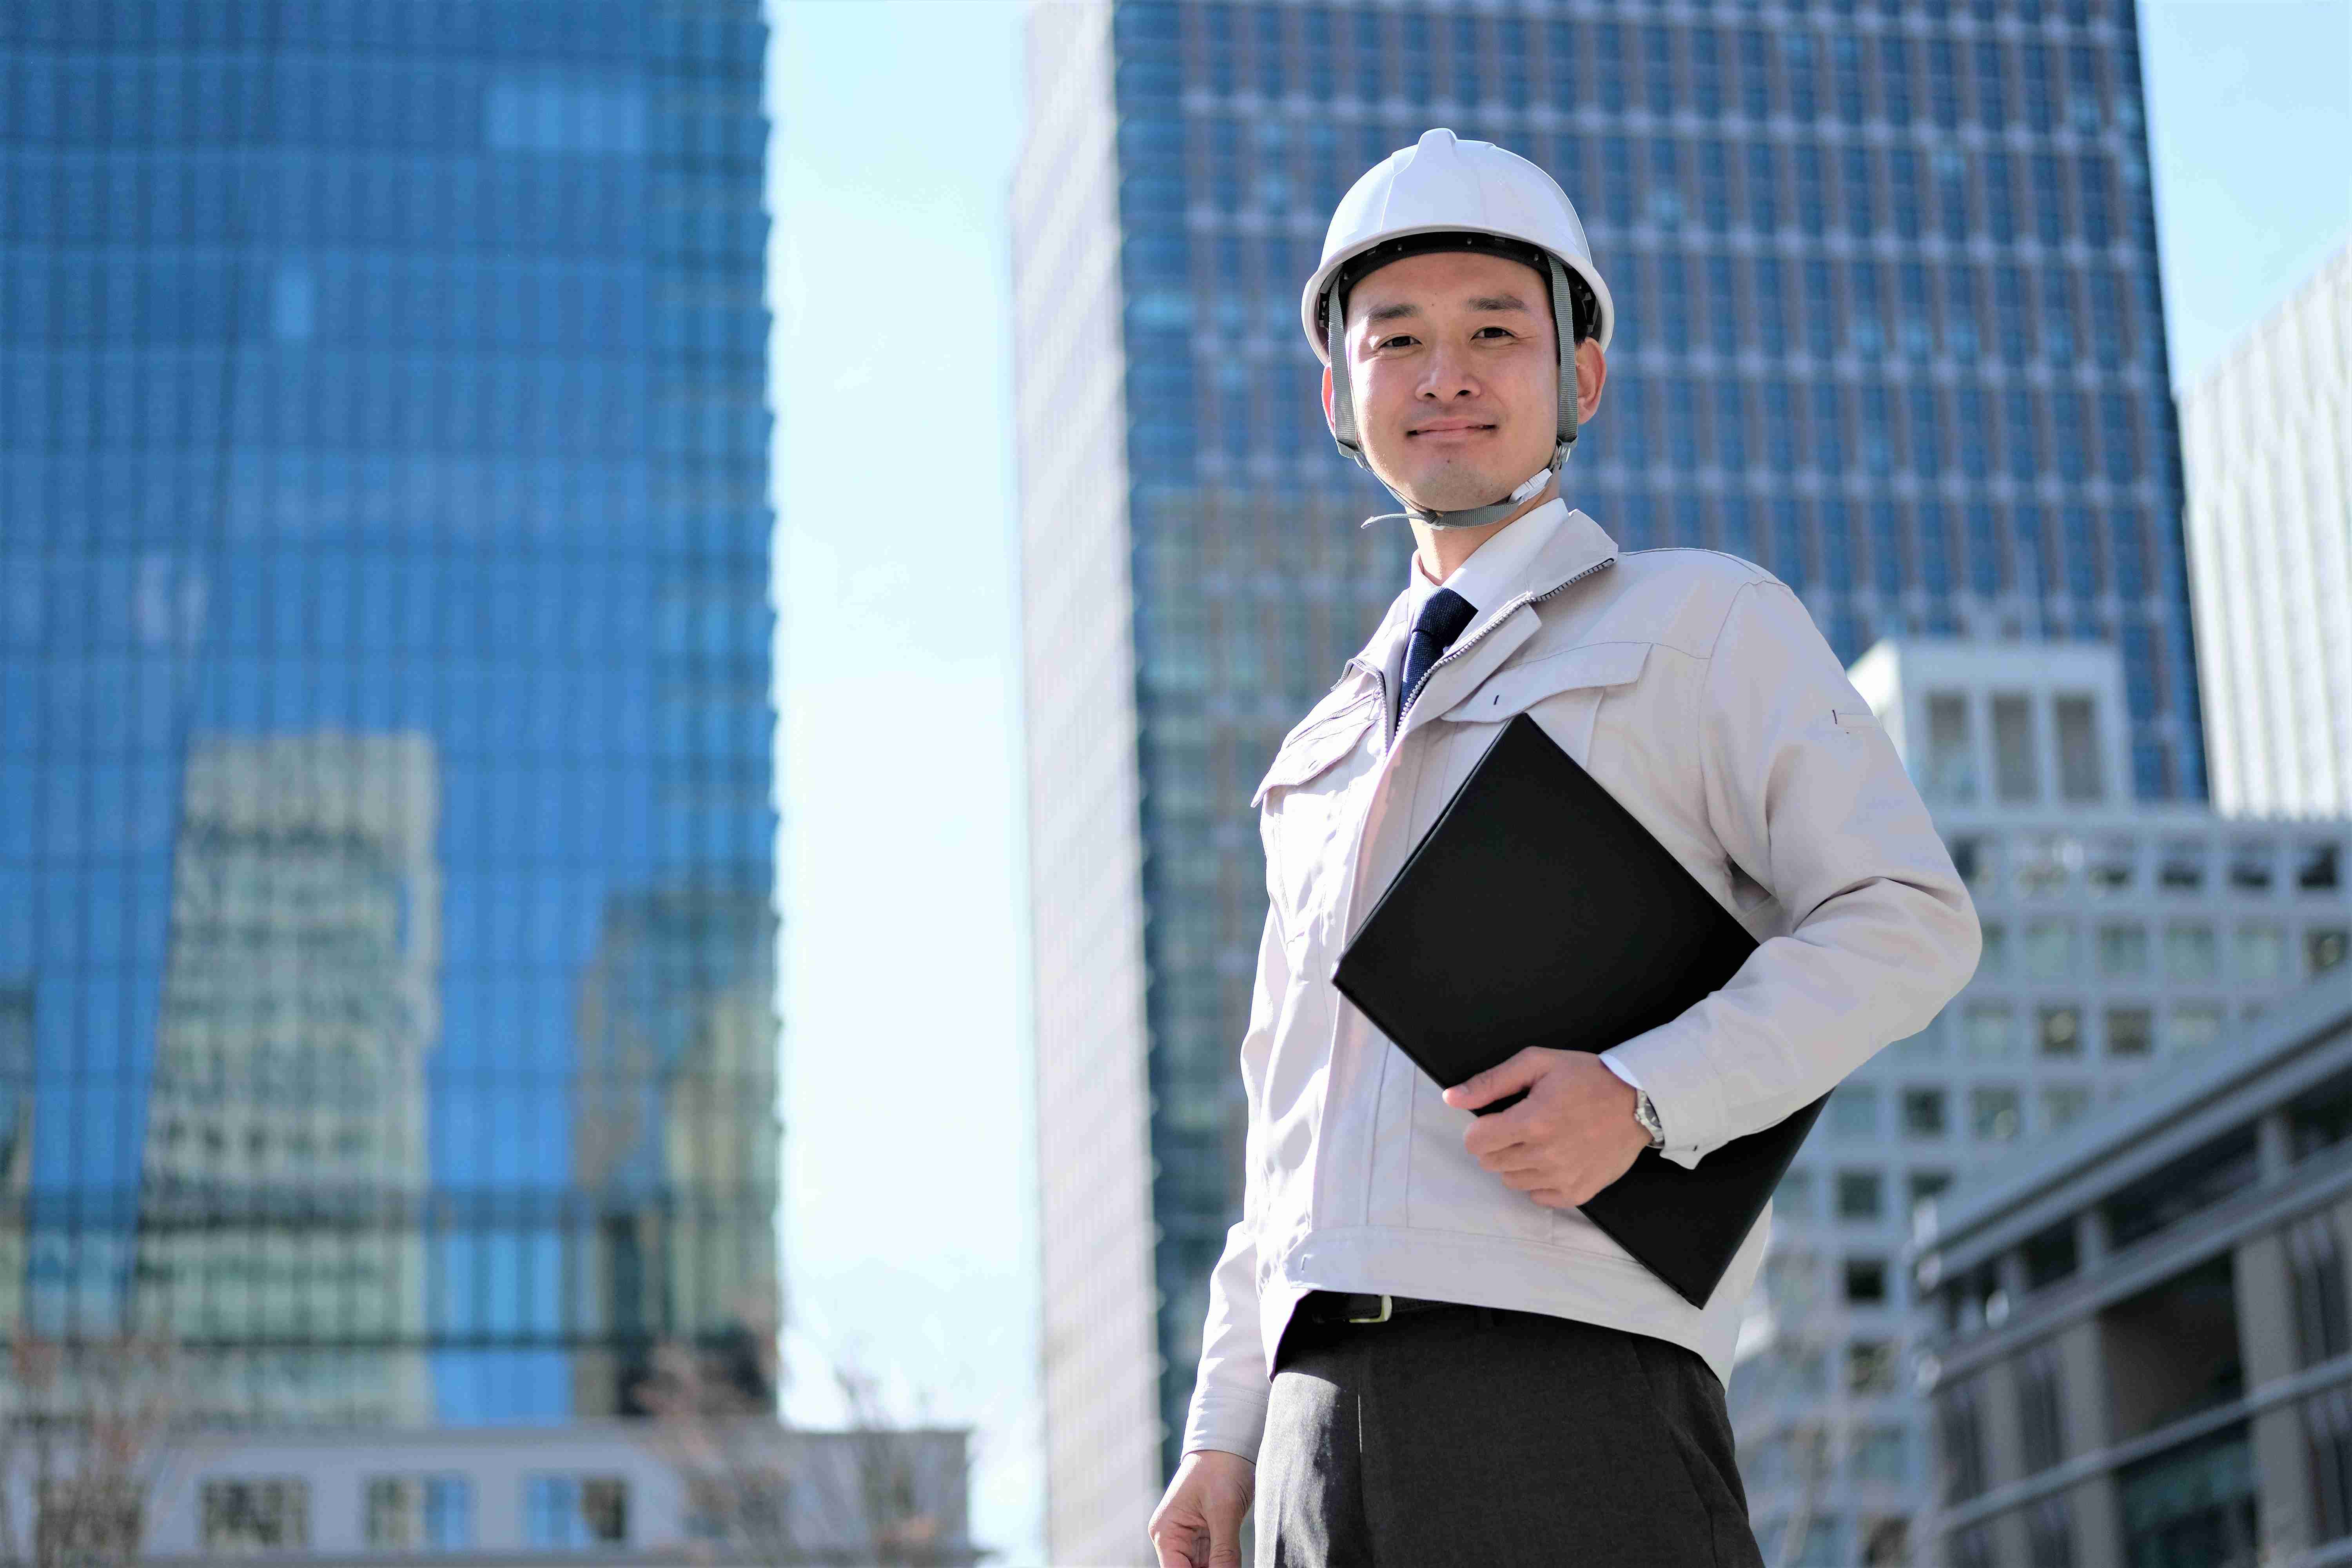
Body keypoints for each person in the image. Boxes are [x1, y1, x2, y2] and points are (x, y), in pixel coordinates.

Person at [1144, 129, 1982, 1568]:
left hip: (1569, 1394)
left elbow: (1908, 919)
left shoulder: (1702, 621)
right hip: (1306, 1432)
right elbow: (1281, 1132)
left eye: (1494, 334)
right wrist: (1223, 1433)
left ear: (1579, 377)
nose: (1444, 374)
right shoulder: (1317, 754)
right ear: (1337, 394)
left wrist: (1647, 1098)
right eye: (1394, 339)